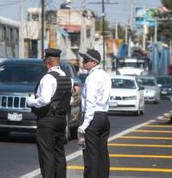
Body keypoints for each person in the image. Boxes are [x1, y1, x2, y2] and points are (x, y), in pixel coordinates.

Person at [27, 48, 72, 178]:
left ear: (47, 63)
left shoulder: (48, 78)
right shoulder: (68, 78)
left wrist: (31, 102)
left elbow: (44, 100)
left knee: (47, 155)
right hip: (61, 119)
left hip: (47, 119)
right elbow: (70, 98)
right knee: (59, 153)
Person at [78, 49, 112, 178]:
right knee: (102, 154)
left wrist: (84, 124)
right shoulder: (105, 75)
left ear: (93, 62)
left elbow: (90, 102)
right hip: (103, 116)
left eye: (85, 60)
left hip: (92, 118)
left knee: (90, 156)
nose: (83, 62)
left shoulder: (92, 77)